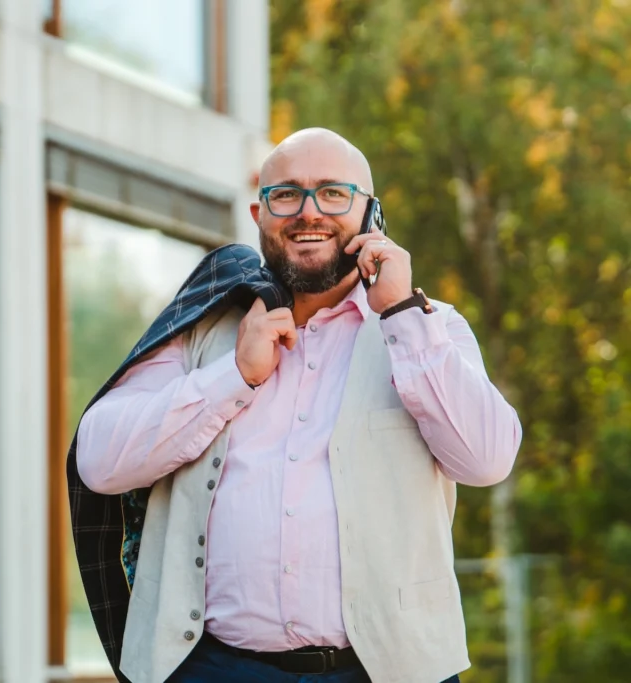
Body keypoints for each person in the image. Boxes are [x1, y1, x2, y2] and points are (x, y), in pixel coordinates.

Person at [72, 128, 522, 683]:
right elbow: (98, 461)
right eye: (287, 195)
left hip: (390, 670)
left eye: (334, 193)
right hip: (213, 667)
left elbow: (487, 460)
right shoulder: (199, 330)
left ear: (370, 214)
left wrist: (402, 313)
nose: (309, 212)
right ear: (260, 213)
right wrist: (233, 376)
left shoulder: (430, 328)